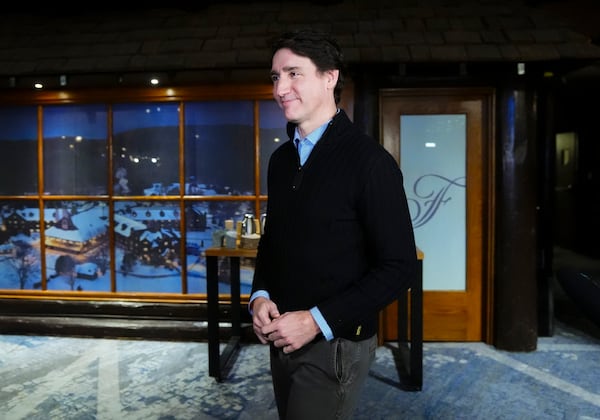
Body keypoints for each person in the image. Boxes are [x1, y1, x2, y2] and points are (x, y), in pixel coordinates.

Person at [249, 28, 417, 420]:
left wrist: (314, 321)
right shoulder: (281, 161)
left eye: (294, 74)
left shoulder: (370, 162)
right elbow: (272, 241)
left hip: (336, 343)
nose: (280, 88)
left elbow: (399, 267)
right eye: (276, 77)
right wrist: (260, 294)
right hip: (282, 337)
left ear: (330, 77)